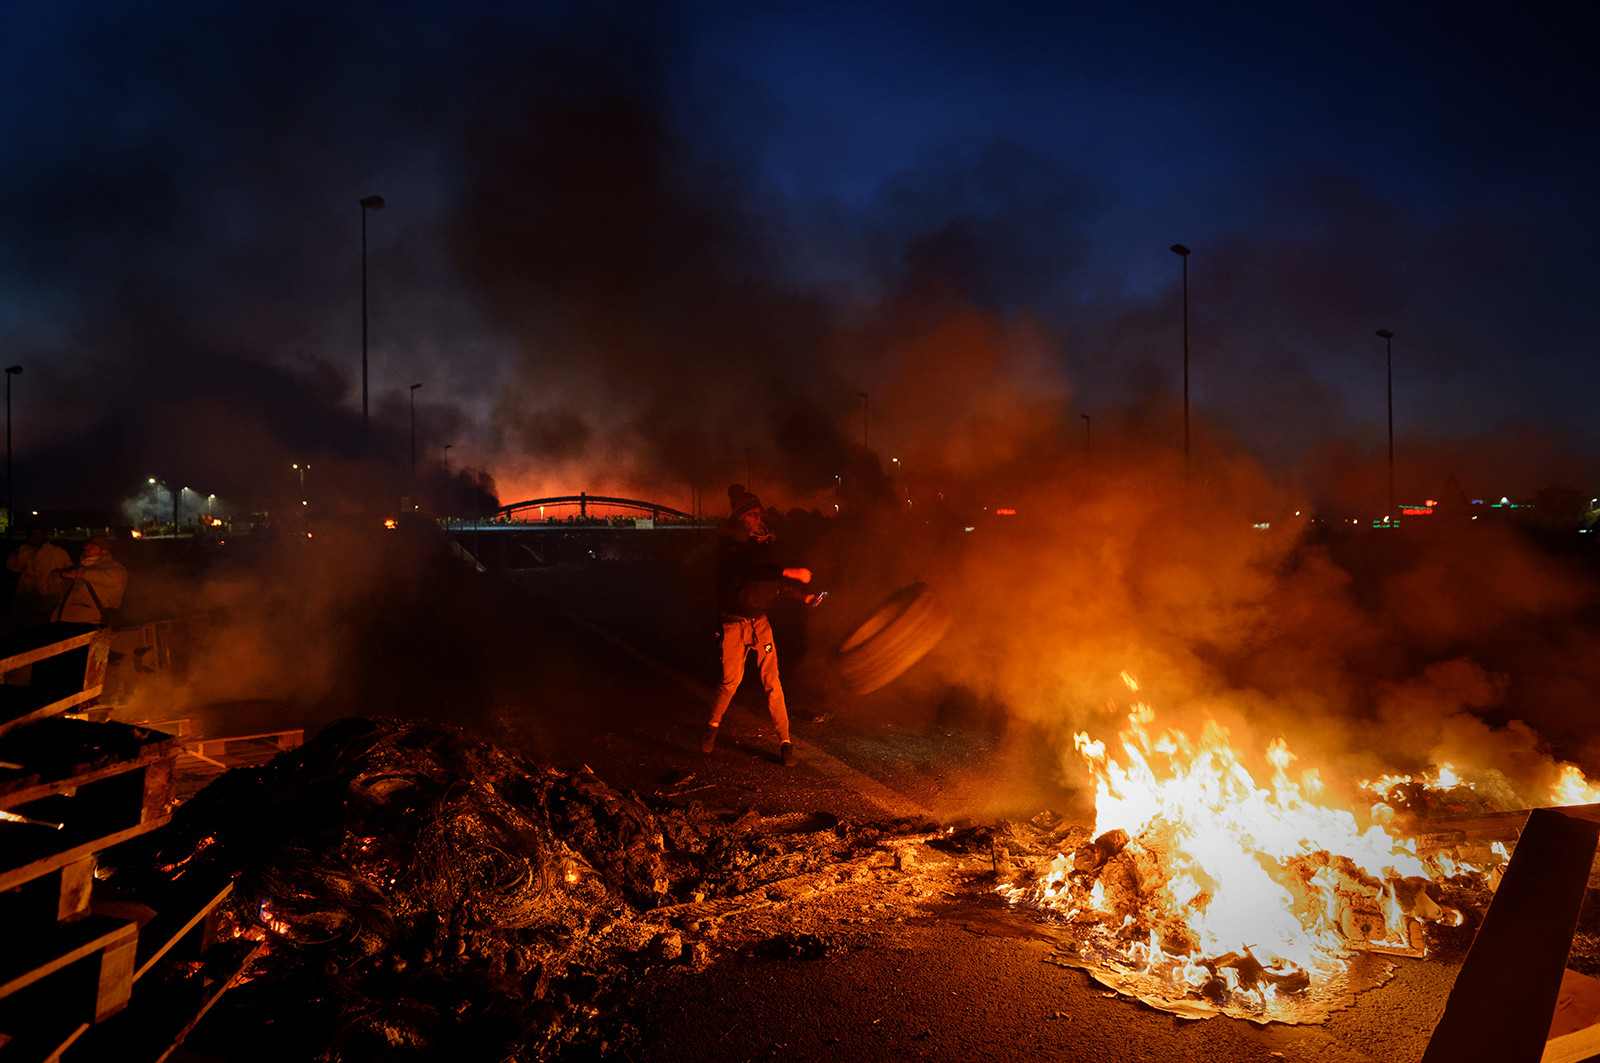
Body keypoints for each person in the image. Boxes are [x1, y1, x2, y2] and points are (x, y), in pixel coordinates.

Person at [701, 484, 822, 767]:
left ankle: (785, 742)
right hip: (732, 621)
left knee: (772, 681)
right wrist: (789, 570)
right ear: (740, 517)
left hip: (758, 620)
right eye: (752, 514)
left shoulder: (758, 543)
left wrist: (802, 596)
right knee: (731, 681)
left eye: (759, 514)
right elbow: (750, 572)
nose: (758, 519)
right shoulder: (730, 544)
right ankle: (711, 728)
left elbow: (769, 582)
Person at [51, 535, 128, 627]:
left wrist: (82, 573)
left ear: (104, 550)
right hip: (63, 622)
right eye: (87, 544)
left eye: (92, 545)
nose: (86, 547)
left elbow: (114, 578)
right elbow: (50, 584)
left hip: (92, 625)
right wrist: (63, 574)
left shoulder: (114, 569)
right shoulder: (78, 567)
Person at [6, 526, 71, 628]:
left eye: (40, 534)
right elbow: (13, 566)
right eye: (34, 534)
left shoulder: (58, 552)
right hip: (28, 601)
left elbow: (68, 573)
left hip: (51, 600)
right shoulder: (23, 550)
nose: (38, 537)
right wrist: (29, 549)